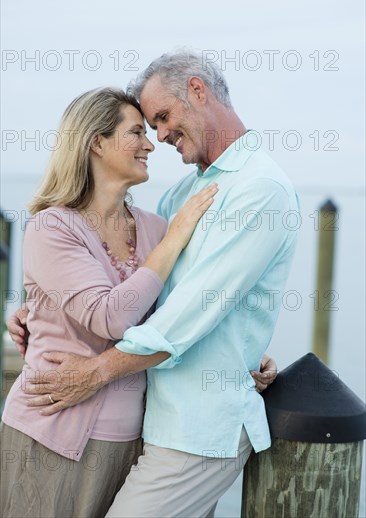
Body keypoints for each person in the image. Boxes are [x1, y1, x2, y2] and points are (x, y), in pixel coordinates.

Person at [12, 50, 300, 517]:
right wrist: (41, 308)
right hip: (153, 421)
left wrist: (96, 372)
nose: (159, 137)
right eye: (148, 126)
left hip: (199, 428)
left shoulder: (259, 189)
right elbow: (139, 292)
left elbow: (191, 315)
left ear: (197, 90)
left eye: (162, 118)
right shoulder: (180, 196)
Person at [0, 86, 222, 518]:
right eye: (136, 132)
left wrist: (248, 355)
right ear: (96, 143)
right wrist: (178, 237)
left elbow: (186, 312)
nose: (149, 144)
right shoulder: (52, 227)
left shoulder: (155, 228)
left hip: (135, 444)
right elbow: (111, 317)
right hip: (50, 436)